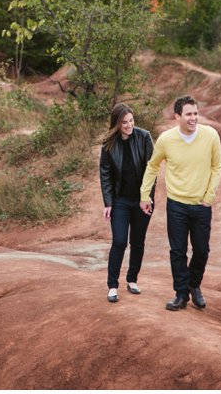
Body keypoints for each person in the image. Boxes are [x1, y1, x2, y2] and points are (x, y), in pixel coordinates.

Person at [139, 95, 221, 311]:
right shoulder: (166, 140)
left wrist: (209, 196)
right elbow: (152, 166)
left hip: (202, 205)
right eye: (189, 114)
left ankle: (195, 286)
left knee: (202, 250)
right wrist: (144, 194)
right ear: (178, 116)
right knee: (178, 251)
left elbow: (217, 167)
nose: (193, 118)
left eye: (195, 113)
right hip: (176, 204)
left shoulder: (210, 135)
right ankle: (181, 294)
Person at [99, 102, 155, 303]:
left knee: (138, 242)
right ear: (116, 124)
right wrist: (108, 202)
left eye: (131, 121)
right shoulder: (109, 144)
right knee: (120, 241)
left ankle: (132, 279)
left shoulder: (144, 137)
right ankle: (112, 285)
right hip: (120, 201)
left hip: (142, 200)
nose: (129, 125)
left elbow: (152, 169)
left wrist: (146, 198)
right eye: (124, 122)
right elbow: (105, 174)